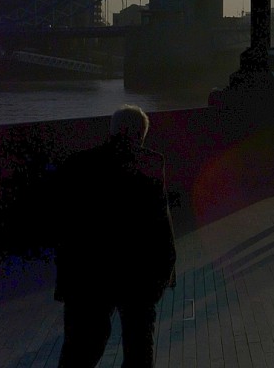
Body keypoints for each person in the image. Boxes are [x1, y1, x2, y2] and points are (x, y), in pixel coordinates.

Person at [54, 105, 177, 367]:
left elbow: (65, 225)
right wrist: (167, 269)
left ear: (111, 130)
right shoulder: (152, 163)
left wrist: (65, 280)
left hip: (89, 272)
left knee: (80, 348)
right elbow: (160, 221)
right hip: (138, 272)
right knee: (139, 346)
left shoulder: (78, 164)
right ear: (141, 135)